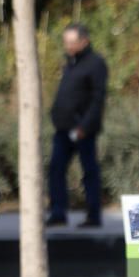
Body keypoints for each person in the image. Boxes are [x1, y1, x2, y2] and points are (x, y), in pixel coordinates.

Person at [47, 23, 107, 228]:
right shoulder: (70, 63)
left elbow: (98, 99)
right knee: (56, 169)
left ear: (84, 41)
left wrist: (85, 125)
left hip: (83, 130)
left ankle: (94, 215)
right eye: (66, 42)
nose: (68, 46)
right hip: (63, 129)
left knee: (89, 172)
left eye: (72, 42)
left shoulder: (95, 63)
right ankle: (58, 212)